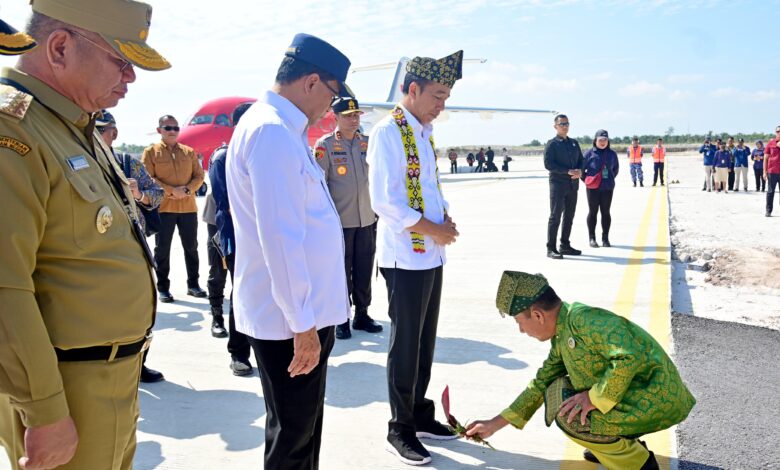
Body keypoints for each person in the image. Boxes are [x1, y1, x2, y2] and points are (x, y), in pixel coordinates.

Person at [0, 1, 169, 469]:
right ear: (59, 47)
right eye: (122, 61)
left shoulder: (73, 125)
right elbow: (5, 286)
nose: (131, 77)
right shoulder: (13, 129)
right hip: (67, 392)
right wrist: (44, 412)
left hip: (110, 378)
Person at [225, 33, 353, 469]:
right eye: (333, 95)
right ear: (312, 81)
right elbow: (280, 237)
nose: (330, 109)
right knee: (293, 438)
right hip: (292, 320)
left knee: (300, 430)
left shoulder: (281, 128)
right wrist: (303, 325)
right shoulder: (273, 132)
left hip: (300, 314)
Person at [465, 271, 696, 470]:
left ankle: (638, 463)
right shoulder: (564, 331)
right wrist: (494, 424)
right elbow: (541, 383)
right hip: (638, 397)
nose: (521, 330)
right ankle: (612, 443)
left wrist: (593, 397)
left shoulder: (585, 319)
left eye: (519, 322)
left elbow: (628, 357)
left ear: (537, 315)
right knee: (559, 389)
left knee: (570, 416)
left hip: (658, 397)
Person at [367, 50, 462, 465]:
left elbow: (425, 187)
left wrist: (444, 217)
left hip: (431, 256)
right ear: (413, 89)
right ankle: (399, 427)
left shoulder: (422, 132)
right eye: (437, 96)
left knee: (424, 342)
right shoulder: (388, 132)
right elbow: (384, 203)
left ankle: (419, 413)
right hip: (404, 257)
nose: (442, 106)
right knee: (405, 345)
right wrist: (433, 228)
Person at [96, 110, 165, 384]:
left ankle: (139, 361)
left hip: (131, 246)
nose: (95, 135)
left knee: (139, 310)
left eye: (101, 129)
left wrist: (138, 194)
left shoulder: (127, 163)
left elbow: (157, 195)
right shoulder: (75, 160)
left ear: (113, 133)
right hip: (93, 251)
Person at [314, 97, 383, 340]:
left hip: (366, 219)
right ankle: (341, 317)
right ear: (336, 117)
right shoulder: (326, 145)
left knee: (364, 268)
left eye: (357, 115)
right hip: (340, 223)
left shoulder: (368, 143)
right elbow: (319, 186)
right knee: (341, 271)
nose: (354, 120)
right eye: (348, 116)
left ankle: (362, 314)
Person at [207, 103, 254, 376]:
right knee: (243, 291)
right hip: (237, 237)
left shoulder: (262, 153)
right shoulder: (224, 156)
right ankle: (238, 352)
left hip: (265, 236)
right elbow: (225, 203)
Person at [142, 115, 206, 303]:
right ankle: (163, 288)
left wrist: (186, 190)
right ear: (159, 130)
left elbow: (199, 176)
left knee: (191, 248)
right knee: (162, 249)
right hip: (164, 208)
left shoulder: (188, 152)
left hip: (188, 208)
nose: (172, 131)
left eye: (175, 128)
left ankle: (193, 285)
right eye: (168, 128)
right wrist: (171, 191)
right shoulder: (151, 152)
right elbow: (148, 178)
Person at [544, 114, 583, 260]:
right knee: (555, 217)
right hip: (558, 185)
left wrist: (580, 171)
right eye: (562, 124)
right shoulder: (552, 144)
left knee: (569, 216)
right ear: (555, 126)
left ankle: (565, 245)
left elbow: (581, 160)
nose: (565, 126)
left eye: (567, 123)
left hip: (573, 185)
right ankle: (551, 248)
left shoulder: (574, 143)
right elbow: (549, 165)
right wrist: (567, 171)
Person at [581, 130, 619, 248]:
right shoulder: (589, 154)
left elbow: (615, 170)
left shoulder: (612, 154)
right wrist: (588, 181)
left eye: (605, 140)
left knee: (606, 212)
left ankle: (605, 238)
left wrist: (608, 179)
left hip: (607, 188)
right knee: (593, 212)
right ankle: (592, 238)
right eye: (600, 140)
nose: (603, 142)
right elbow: (581, 170)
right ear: (595, 140)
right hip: (593, 188)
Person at [764, 126, 780, 217]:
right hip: (772, 171)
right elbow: (765, 158)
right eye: (778, 131)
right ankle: (768, 211)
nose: (779, 133)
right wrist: (764, 171)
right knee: (770, 192)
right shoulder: (770, 143)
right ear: (775, 132)